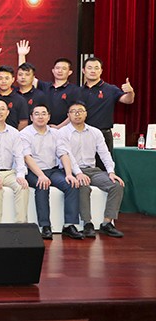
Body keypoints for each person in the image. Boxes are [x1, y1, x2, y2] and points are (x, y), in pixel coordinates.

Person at [60, 102, 125, 238]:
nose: (77, 114)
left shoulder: (95, 132)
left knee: (116, 185)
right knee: (83, 186)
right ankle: (87, 223)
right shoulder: (62, 133)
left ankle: (107, 223)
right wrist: (78, 173)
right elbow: (67, 155)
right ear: (68, 115)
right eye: (73, 111)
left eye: (80, 111)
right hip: (71, 170)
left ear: (86, 114)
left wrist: (111, 172)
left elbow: (104, 153)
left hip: (93, 170)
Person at [20, 104, 84, 240]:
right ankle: (45, 226)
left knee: (71, 184)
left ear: (49, 117)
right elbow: (27, 157)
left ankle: (69, 225)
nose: (40, 116)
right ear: (31, 117)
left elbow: (63, 153)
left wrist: (69, 174)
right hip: (33, 171)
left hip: (53, 170)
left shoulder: (56, 133)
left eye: (44, 113)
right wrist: (41, 175)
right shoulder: (25, 134)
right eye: (37, 114)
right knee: (42, 185)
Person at [80, 57, 135, 153]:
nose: (93, 71)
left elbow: (128, 100)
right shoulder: (78, 91)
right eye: (89, 68)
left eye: (96, 68)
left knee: (104, 162)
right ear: (83, 70)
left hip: (103, 134)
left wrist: (130, 92)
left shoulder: (110, 89)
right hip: (81, 134)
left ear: (101, 71)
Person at [19, 43, 81, 126]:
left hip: (63, 129)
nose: (60, 71)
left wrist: (59, 127)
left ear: (70, 72)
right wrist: (22, 55)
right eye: (57, 68)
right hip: (42, 128)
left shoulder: (74, 90)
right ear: (53, 71)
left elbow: (74, 112)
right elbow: (26, 75)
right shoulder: (45, 86)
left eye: (64, 69)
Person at [0, 63, 29, 130]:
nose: (3, 81)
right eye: (0, 78)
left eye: (7, 78)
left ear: (13, 79)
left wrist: (16, 134)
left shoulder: (20, 99)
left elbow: (23, 122)